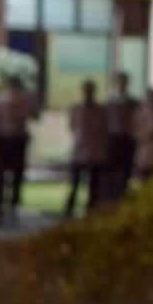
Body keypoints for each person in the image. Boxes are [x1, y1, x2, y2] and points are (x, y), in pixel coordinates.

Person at [0, 75, 36, 227]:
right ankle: (4, 206)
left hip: (12, 139)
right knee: (8, 175)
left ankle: (5, 206)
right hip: (9, 139)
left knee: (9, 175)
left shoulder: (17, 100)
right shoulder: (7, 100)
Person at [65, 79, 106, 216]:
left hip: (94, 149)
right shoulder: (76, 108)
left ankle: (91, 208)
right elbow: (72, 126)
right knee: (74, 182)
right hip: (80, 148)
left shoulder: (100, 110)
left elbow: (102, 129)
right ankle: (69, 208)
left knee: (93, 184)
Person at [104, 71, 139, 200]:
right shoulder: (108, 103)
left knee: (126, 171)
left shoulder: (134, 103)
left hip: (128, 140)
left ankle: (123, 196)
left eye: (123, 81)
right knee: (111, 172)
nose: (121, 84)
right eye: (119, 81)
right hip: (112, 140)